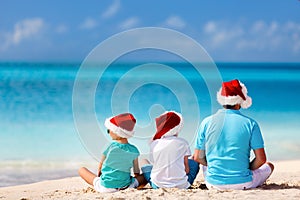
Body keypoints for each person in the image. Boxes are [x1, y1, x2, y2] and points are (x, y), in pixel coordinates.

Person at [192, 79, 274, 190]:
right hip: (243, 183)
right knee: (269, 166)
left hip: (213, 184)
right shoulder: (251, 124)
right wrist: (245, 169)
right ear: (240, 100)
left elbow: (197, 157)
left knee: (203, 162)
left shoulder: (206, 122)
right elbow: (261, 159)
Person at [78, 113, 146, 193]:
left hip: (105, 187)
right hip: (126, 187)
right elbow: (136, 172)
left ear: (116, 131)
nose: (108, 133)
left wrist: (101, 176)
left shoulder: (109, 146)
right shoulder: (134, 150)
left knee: (81, 170)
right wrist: (135, 180)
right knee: (145, 176)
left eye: (109, 130)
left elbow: (100, 168)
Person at [141, 111, 199, 189]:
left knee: (144, 161)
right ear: (178, 127)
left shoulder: (154, 143)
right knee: (194, 162)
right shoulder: (183, 143)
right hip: (181, 185)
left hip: (158, 185)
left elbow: (155, 164)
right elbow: (187, 170)